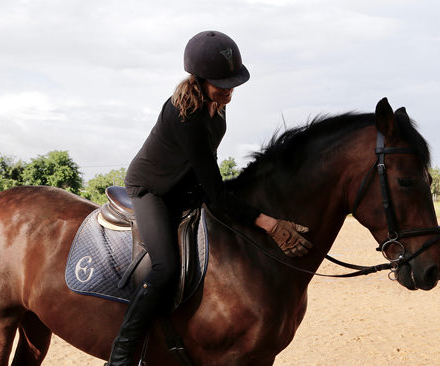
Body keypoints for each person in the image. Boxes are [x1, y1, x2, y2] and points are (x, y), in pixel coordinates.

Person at [105, 30, 313, 366]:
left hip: (187, 187)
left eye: (233, 80)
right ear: (199, 79)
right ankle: (121, 355)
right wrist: (267, 222)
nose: (228, 88)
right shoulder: (186, 115)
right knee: (165, 267)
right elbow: (216, 193)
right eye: (221, 81)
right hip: (152, 190)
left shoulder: (218, 105)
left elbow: (207, 177)